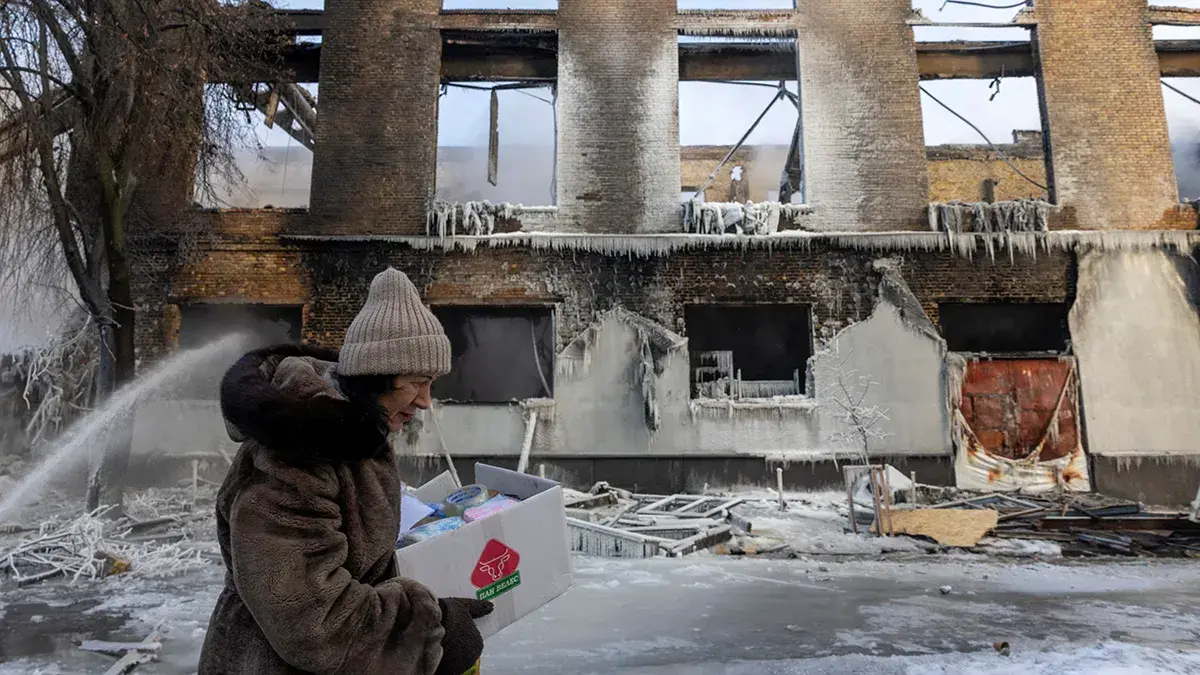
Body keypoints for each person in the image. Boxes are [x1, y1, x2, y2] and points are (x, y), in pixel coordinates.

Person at [199, 268, 492, 675]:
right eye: (417, 382)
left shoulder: (352, 432)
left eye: (432, 383)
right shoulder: (294, 461)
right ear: (377, 376)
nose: (427, 401)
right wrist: (433, 630)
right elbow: (313, 621)